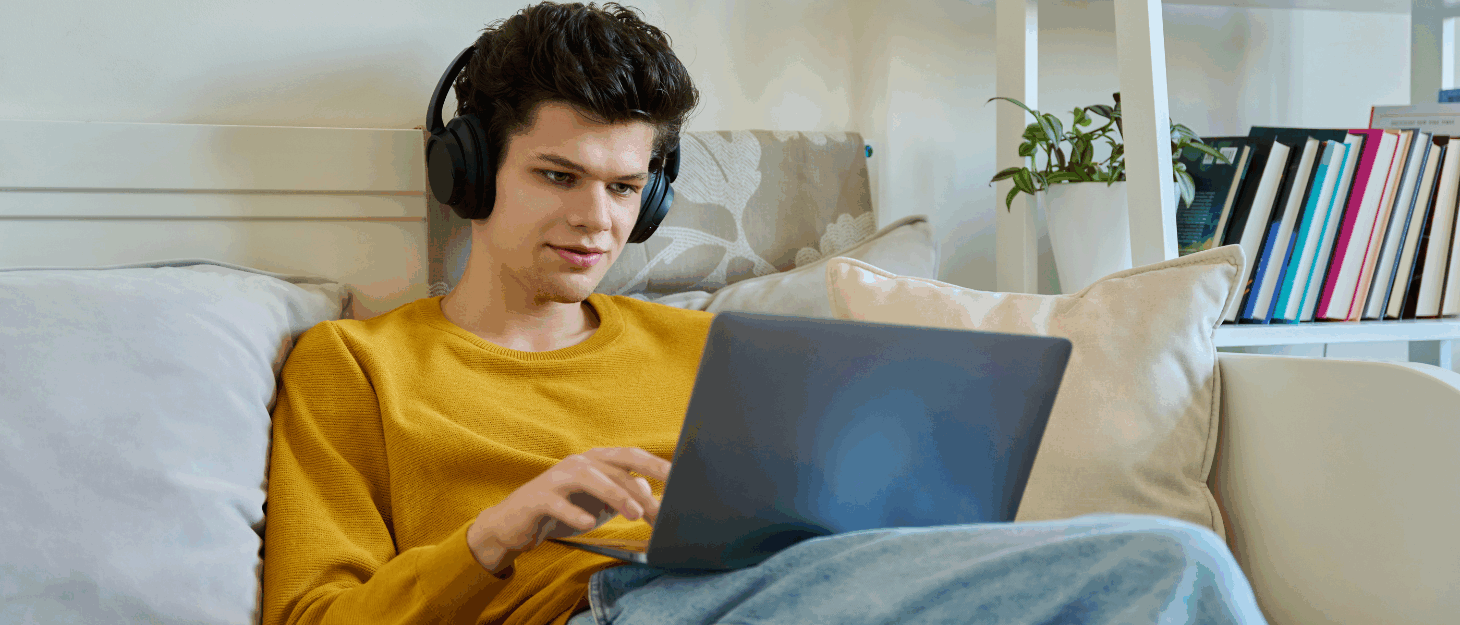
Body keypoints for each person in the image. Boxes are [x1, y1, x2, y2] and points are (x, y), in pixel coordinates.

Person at [260, 3, 1268, 624]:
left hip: (804, 591)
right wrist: (501, 527)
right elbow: (315, 616)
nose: (594, 220)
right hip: (602, 609)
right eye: (557, 176)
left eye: (623, 188)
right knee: (1167, 559)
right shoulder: (353, 364)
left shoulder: (712, 347)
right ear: (469, 173)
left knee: (1141, 570)